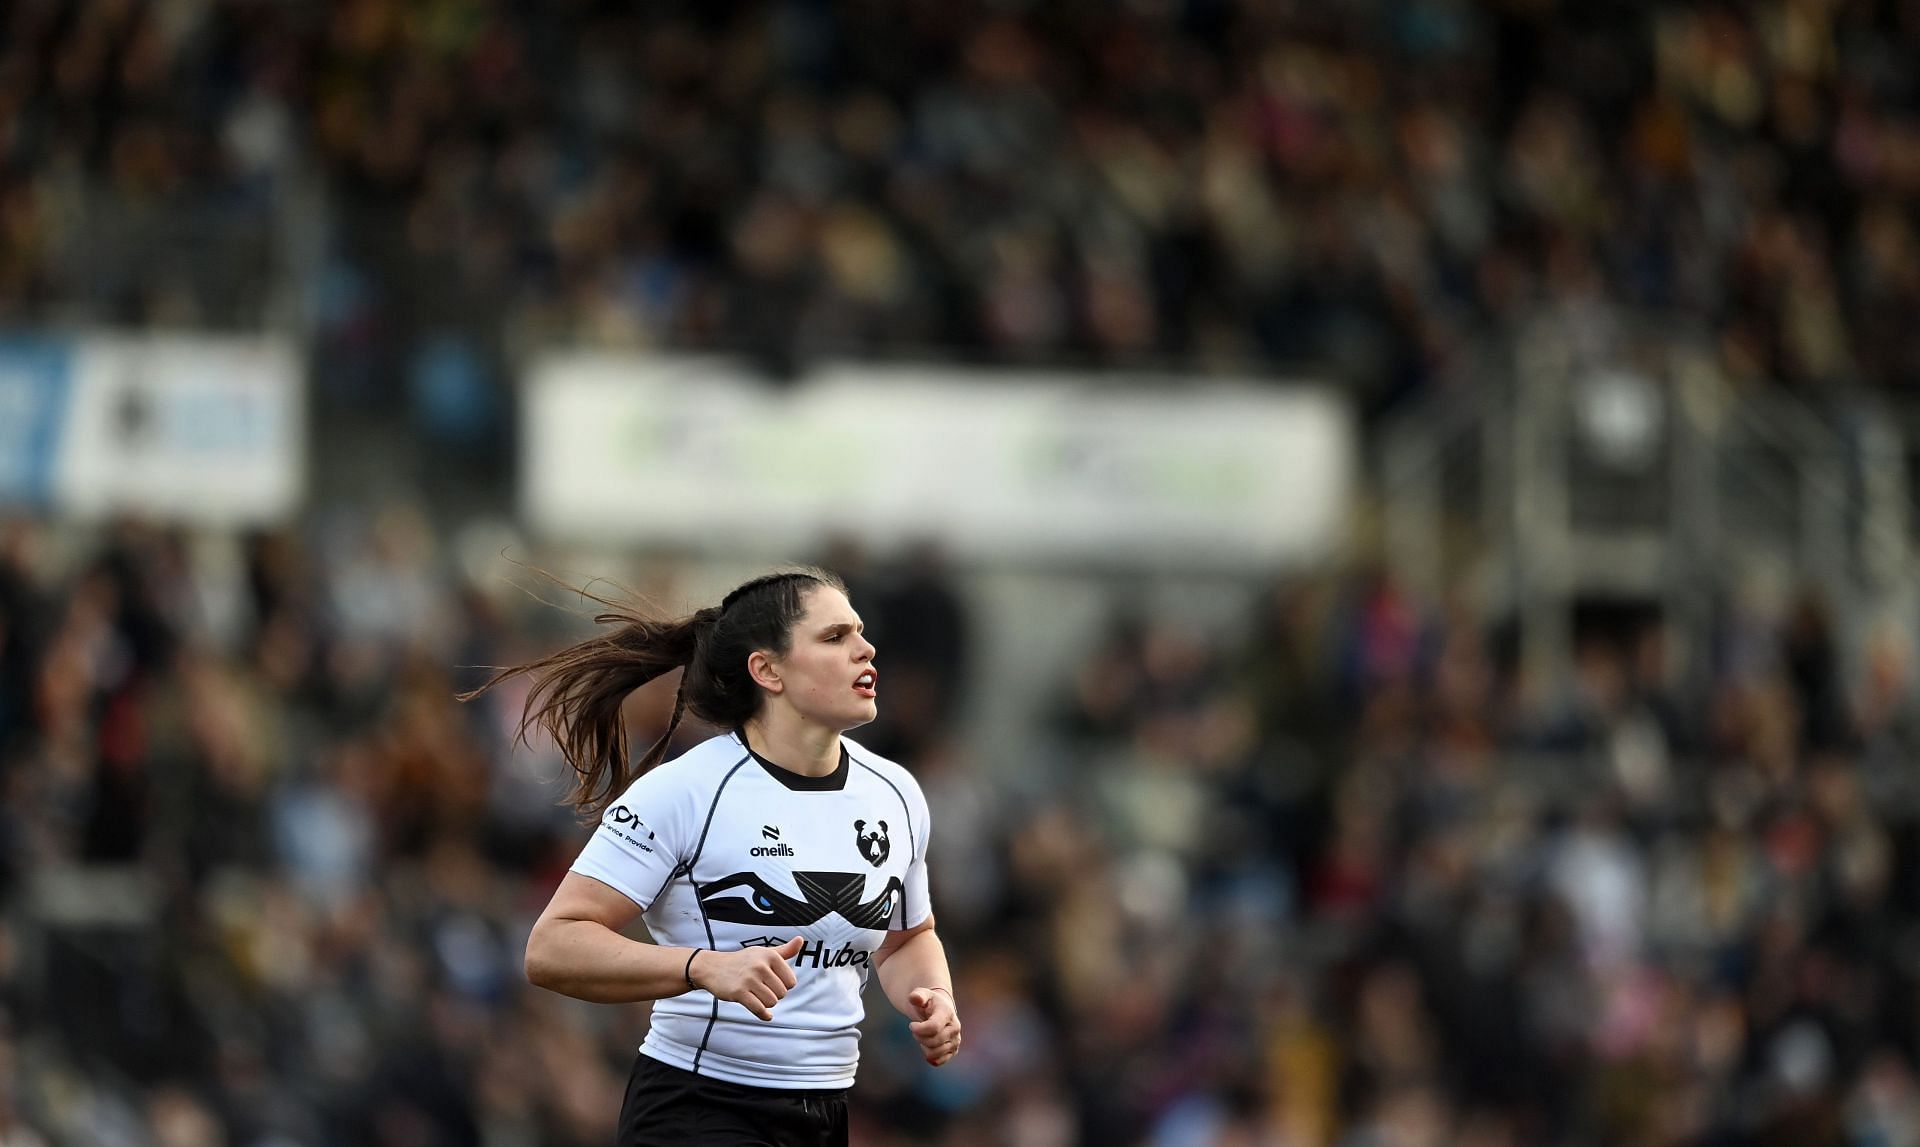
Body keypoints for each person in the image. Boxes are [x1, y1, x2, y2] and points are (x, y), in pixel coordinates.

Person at [462, 568, 961, 1146]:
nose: (866, 649)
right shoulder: (686, 790)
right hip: (699, 1107)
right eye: (834, 637)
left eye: (860, 632)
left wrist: (935, 998)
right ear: (766, 669)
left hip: (825, 1112)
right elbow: (551, 946)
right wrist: (702, 966)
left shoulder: (894, 792)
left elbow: (906, 938)